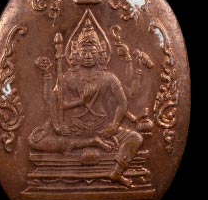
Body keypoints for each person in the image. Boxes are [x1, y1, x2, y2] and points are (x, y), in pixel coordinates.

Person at [29, 18, 143, 187]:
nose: (88, 56)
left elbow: (122, 103)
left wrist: (114, 126)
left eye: (92, 52)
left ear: (100, 53)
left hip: (103, 129)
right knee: (34, 141)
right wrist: (58, 127)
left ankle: (117, 173)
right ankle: (88, 142)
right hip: (75, 129)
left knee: (136, 138)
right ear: (76, 53)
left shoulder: (109, 77)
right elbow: (53, 101)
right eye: (84, 52)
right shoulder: (68, 77)